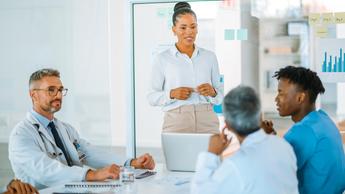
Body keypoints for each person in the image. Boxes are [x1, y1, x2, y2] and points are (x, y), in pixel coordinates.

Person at [8, 68, 155, 189]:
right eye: (51, 90)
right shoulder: (21, 134)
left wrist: (132, 162)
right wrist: (92, 175)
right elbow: (44, 170)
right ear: (33, 95)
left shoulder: (64, 128)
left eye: (60, 90)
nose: (58, 95)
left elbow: (89, 153)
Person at [191, 86, 298, 194]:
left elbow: (199, 191)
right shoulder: (284, 147)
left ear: (227, 125)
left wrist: (211, 154)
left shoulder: (235, 165)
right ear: (259, 116)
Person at [262, 66, 345, 194]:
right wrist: (272, 136)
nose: (276, 99)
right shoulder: (323, 119)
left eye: (281, 93)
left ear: (300, 98)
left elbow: (271, 173)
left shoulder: (303, 130)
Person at [147, 2, 223, 133]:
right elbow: (151, 97)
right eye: (183, 27)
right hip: (176, 120)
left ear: (197, 28)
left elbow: (220, 95)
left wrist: (213, 92)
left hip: (207, 119)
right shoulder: (162, 59)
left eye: (193, 27)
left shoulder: (209, 57)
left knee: (210, 154)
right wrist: (172, 94)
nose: (189, 32)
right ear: (174, 30)